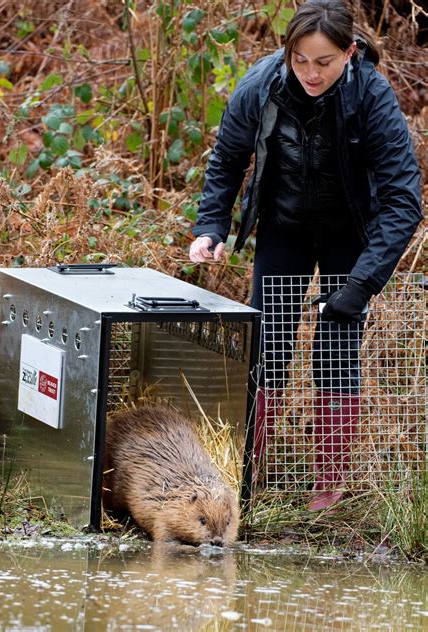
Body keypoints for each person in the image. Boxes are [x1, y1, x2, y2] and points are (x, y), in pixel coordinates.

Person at [189, 0, 422, 510]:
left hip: (349, 232)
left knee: (335, 351)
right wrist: (211, 226)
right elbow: (228, 158)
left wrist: (361, 285)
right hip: (284, 225)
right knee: (265, 348)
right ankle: (248, 478)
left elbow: (405, 200)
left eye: (325, 62)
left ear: (350, 53)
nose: (311, 73)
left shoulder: (372, 96)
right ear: (287, 53)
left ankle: (327, 490)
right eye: (301, 61)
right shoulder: (260, 87)